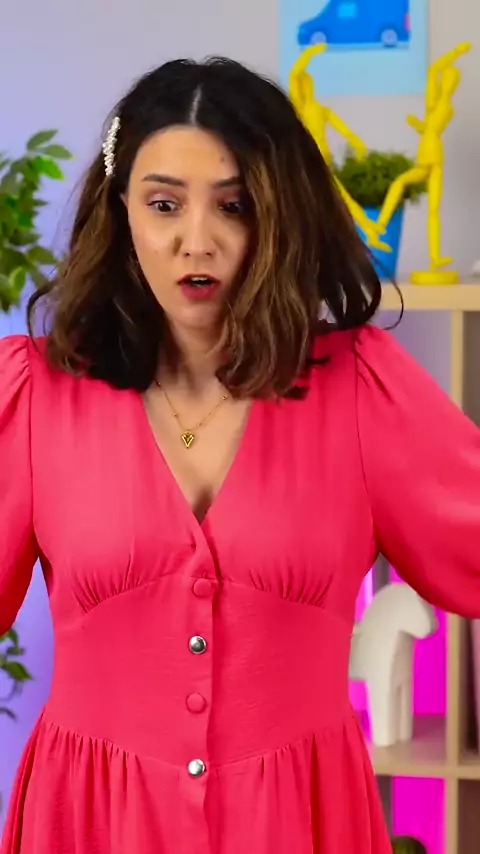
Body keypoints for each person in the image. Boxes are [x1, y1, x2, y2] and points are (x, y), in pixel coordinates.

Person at [1, 56, 479, 854]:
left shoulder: (362, 387)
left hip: (301, 822)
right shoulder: (35, 394)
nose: (198, 241)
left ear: (280, 217)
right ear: (121, 213)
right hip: (89, 822)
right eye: (163, 204)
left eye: (235, 206)